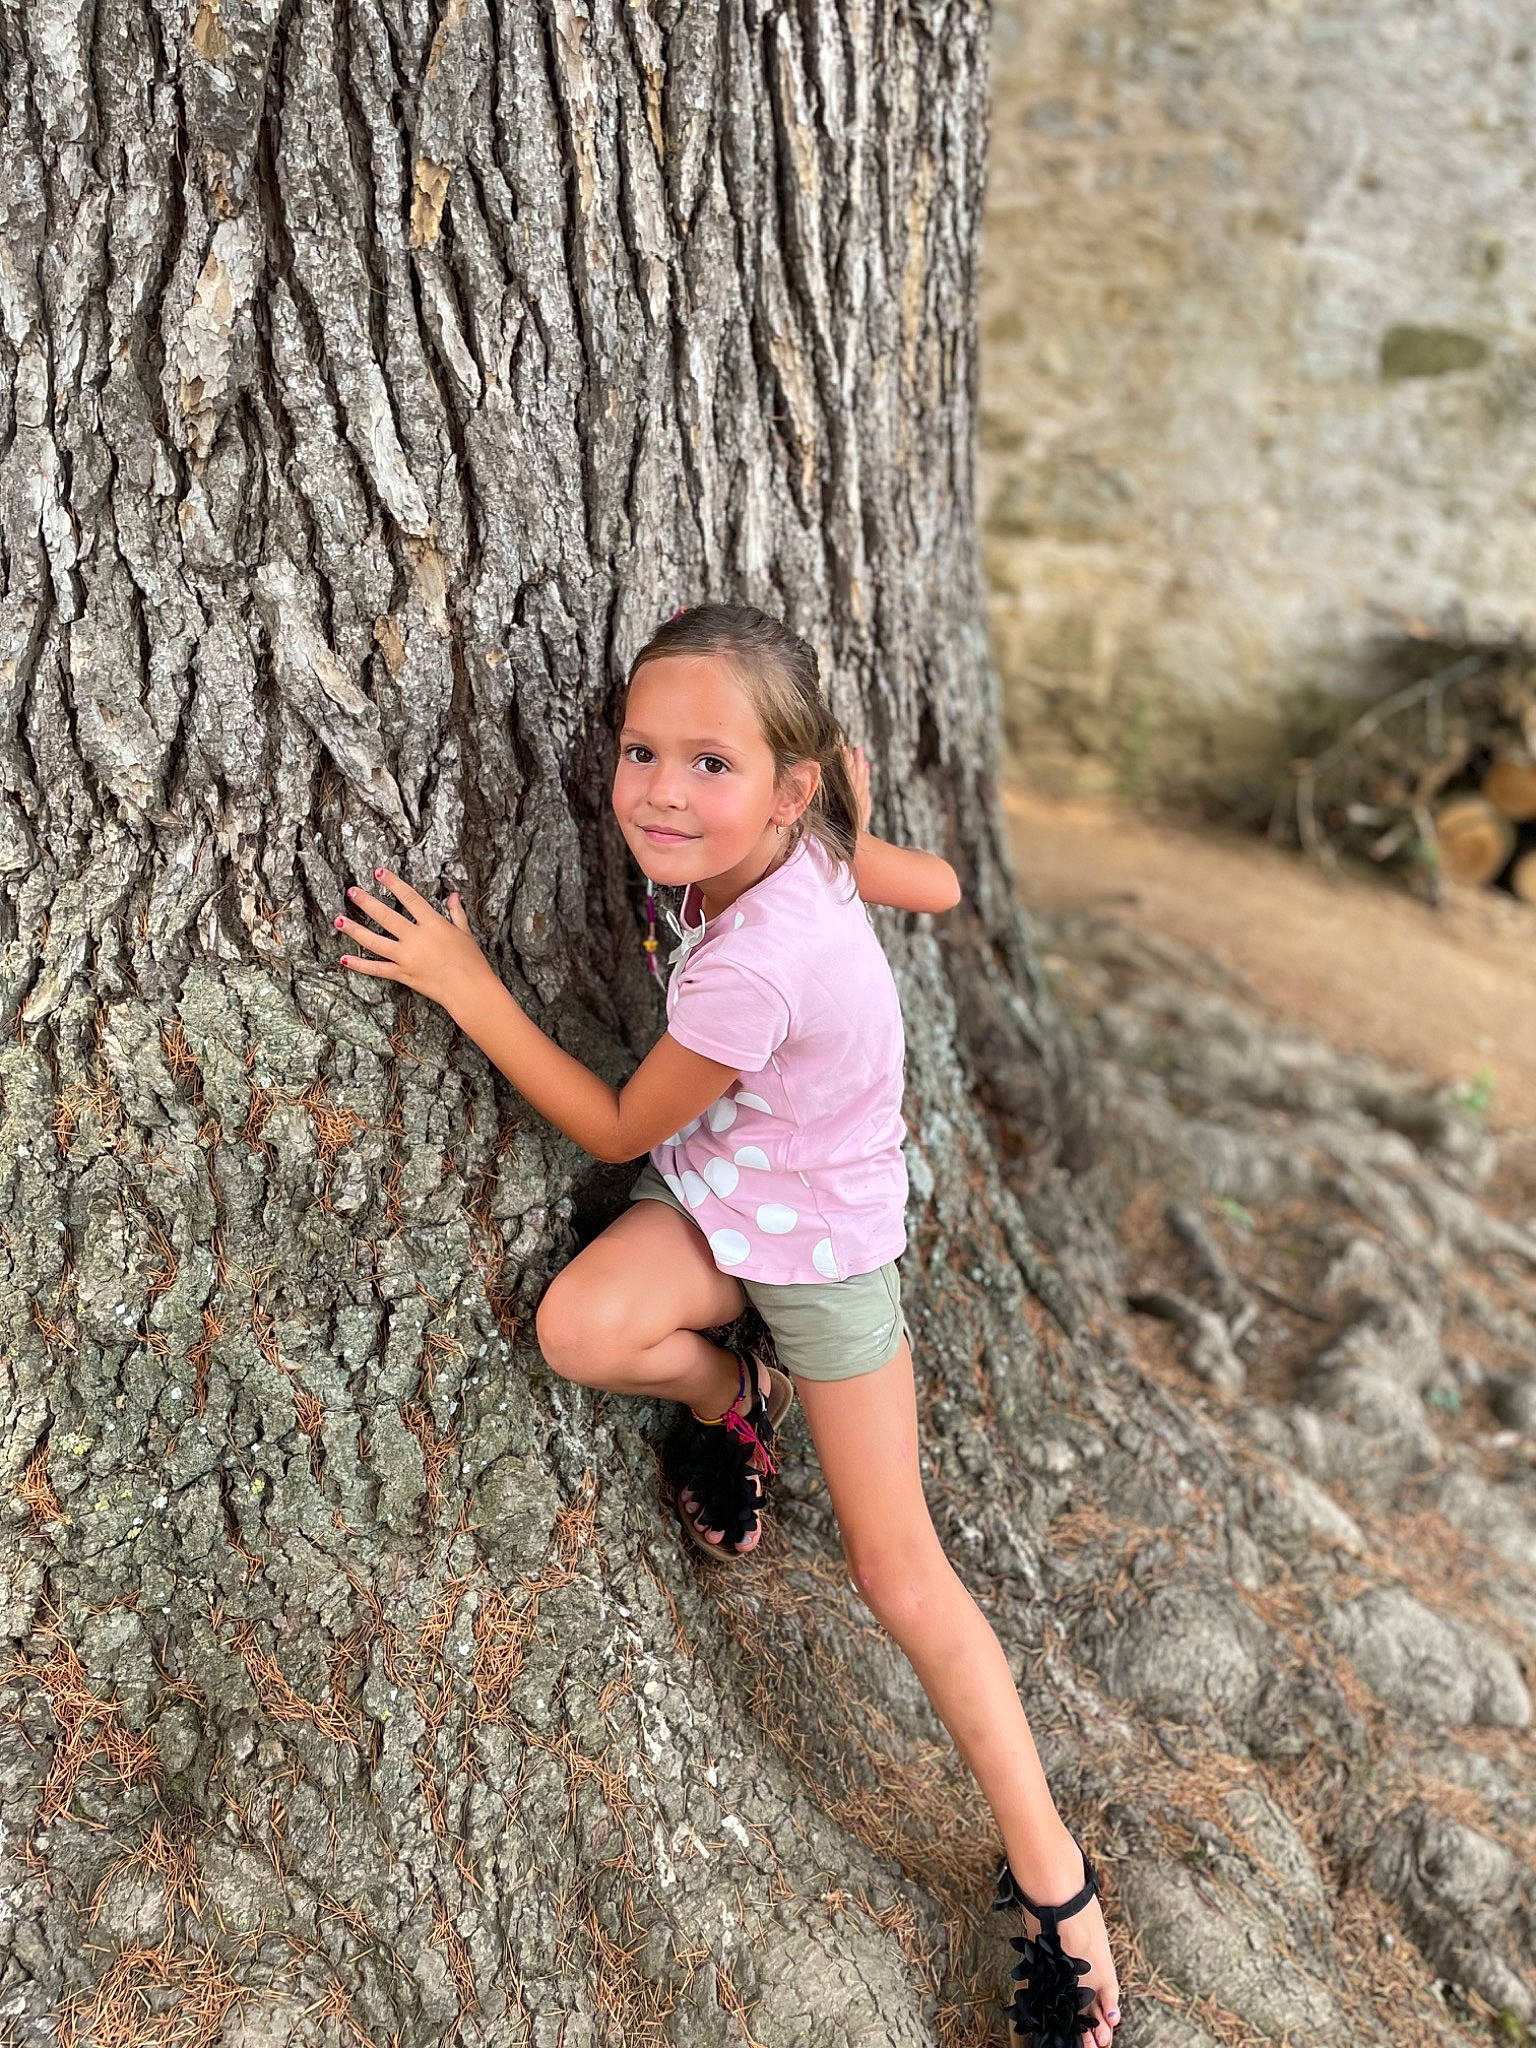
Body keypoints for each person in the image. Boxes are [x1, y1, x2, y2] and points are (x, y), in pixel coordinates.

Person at [333, 601, 1123, 2046]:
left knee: (899, 1573)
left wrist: (463, 983)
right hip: (717, 1194)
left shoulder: (760, 954)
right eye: (643, 751)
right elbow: (939, 884)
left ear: (788, 786)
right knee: (581, 1328)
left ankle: (1055, 1881)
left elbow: (611, 1122)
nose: (661, 793)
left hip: (824, 1250)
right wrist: (862, 837)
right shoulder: (803, 840)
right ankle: (725, 1396)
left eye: (712, 765)